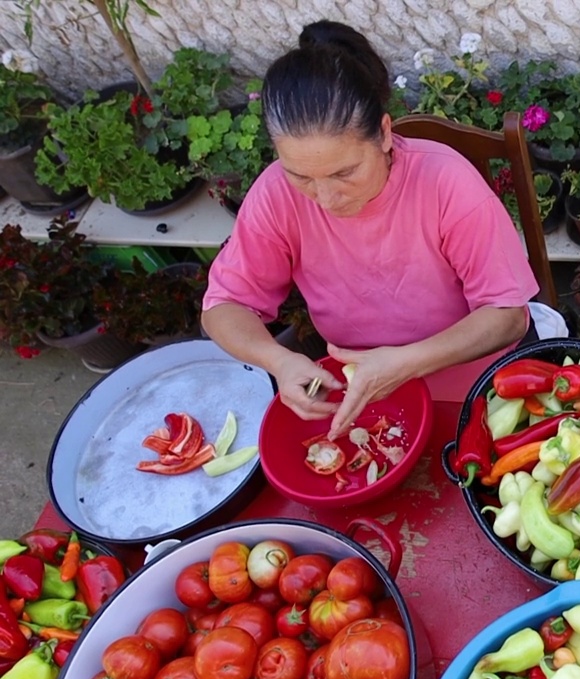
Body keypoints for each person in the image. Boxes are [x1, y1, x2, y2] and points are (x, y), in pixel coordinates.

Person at [202, 20, 539, 439]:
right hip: (361, 391)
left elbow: (508, 316)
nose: (325, 198)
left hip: (474, 384)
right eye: (301, 176)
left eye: (345, 172)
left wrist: (408, 362)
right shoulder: (275, 195)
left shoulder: (446, 183)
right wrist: (279, 360)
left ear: (382, 133)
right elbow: (225, 305)